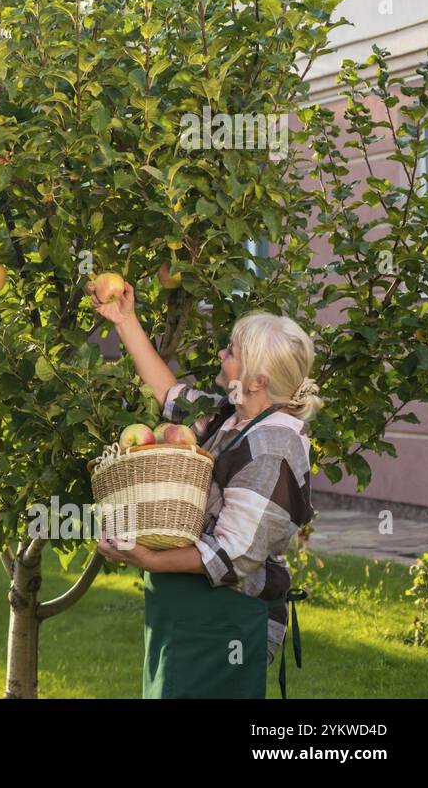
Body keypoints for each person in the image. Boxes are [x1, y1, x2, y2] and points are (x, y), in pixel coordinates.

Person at [91, 284, 320, 698]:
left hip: (222, 626)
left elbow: (233, 555)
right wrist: (125, 320)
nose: (221, 355)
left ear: (257, 380)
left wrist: (145, 558)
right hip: (184, 617)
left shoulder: (273, 448)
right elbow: (170, 396)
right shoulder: (233, 417)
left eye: (231, 352)